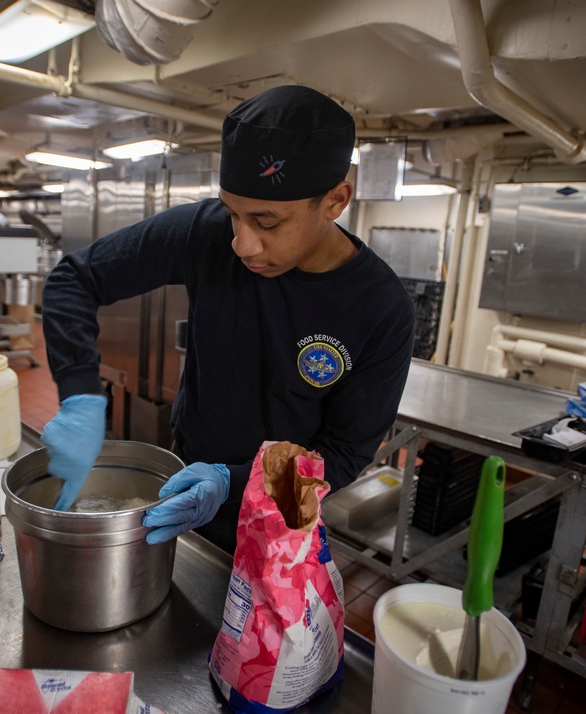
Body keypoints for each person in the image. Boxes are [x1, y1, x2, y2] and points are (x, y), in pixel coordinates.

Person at [40, 85, 416, 553]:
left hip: (281, 518)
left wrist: (232, 483)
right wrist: (80, 394)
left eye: (268, 222)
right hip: (183, 484)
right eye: (233, 213)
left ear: (336, 201)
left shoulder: (380, 308)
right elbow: (74, 279)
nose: (243, 244)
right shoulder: (207, 233)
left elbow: (340, 455)